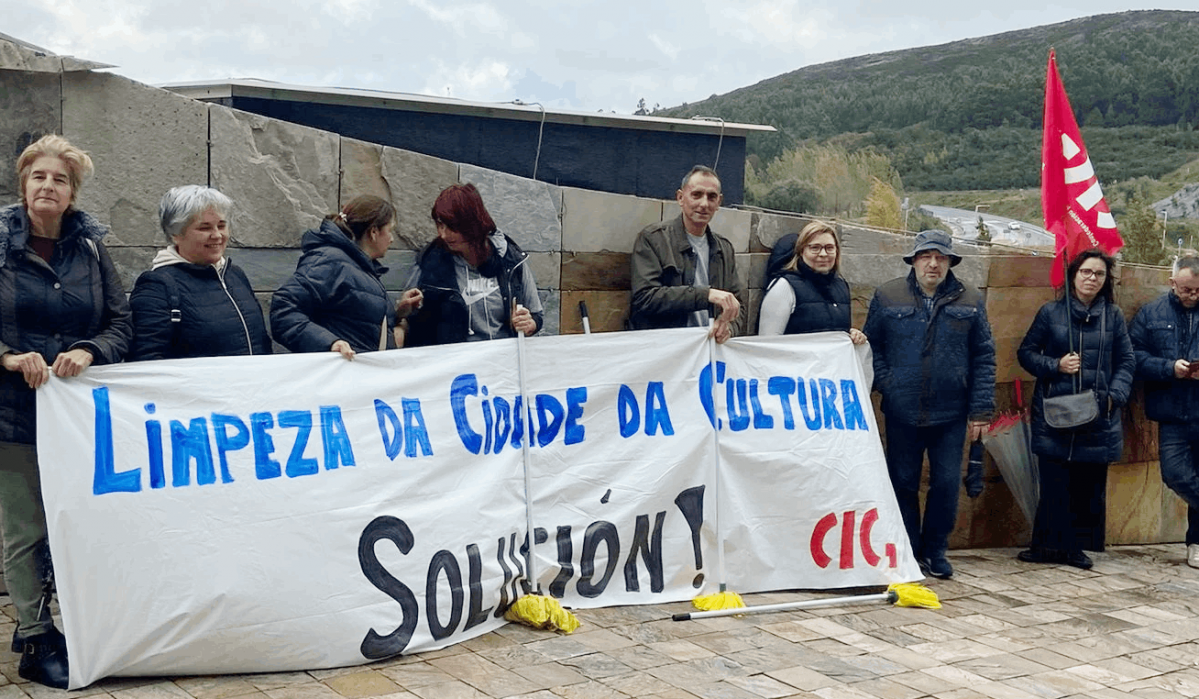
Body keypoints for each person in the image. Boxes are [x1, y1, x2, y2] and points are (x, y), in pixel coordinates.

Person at [0, 135, 132, 688]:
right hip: (11, 412)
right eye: (39, 177)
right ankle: (33, 637)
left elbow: (121, 322)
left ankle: (56, 617)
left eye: (60, 179)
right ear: (23, 184)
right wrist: (7, 356)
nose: (47, 186)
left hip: (77, 417)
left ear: (73, 192)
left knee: (72, 523)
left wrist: (89, 350)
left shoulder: (93, 250)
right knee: (26, 528)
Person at [862, 230, 995, 579]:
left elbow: (984, 355)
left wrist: (981, 409)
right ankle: (908, 547)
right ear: (914, 260)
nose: (933, 263)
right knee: (902, 481)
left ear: (950, 261)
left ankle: (936, 550)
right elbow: (871, 345)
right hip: (902, 409)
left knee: (947, 483)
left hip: (951, 412)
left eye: (941, 257)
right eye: (926, 256)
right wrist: (888, 384)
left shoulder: (970, 299)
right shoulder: (888, 295)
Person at [1017, 248, 1134, 570]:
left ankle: (1074, 548)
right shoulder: (1050, 312)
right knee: (1054, 482)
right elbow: (1026, 353)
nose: (1091, 279)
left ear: (1106, 280)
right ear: (1073, 275)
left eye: (1098, 274)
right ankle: (1046, 546)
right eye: (1086, 272)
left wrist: (1115, 395)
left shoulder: (1114, 316)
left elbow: (1127, 360)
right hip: (1056, 411)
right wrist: (1055, 365)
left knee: (1086, 483)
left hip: (1098, 414)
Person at [129, 186, 271, 360]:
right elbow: (146, 360)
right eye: (204, 228)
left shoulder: (234, 274)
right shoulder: (157, 286)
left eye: (221, 225)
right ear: (175, 234)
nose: (217, 235)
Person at [403, 183, 541, 346]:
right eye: (439, 225)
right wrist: (402, 311)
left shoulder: (511, 260)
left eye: (451, 227)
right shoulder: (430, 261)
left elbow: (537, 315)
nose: (443, 234)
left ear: (472, 224)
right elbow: (408, 321)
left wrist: (529, 324)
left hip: (503, 360)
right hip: (453, 363)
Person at [271, 195, 407, 358]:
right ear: (374, 232)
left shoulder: (358, 265)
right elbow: (283, 310)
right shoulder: (331, 261)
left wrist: (398, 314)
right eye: (390, 230)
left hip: (356, 376)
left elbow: (358, 321)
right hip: (341, 376)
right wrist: (330, 343)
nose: (392, 239)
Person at [1130, 253, 1199, 567]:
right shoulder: (1151, 312)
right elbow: (1133, 356)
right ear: (1173, 283)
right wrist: (1169, 367)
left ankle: (1195, 543)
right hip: (1171, 410)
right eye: (1186, 290)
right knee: (1175, 474)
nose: (1192, 296)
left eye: (1198, 290)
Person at [628, 165, 744, 343]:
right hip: (666, 349)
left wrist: (729, 327)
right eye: (696, 195)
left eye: (711, 197)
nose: (704, 204)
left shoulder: (724, 249)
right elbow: (645, 299)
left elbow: (738, 304)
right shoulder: (654, 239)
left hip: (708, 350)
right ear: (681, 198)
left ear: (719, 203)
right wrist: (706, 295)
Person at [758, 220, 866, 344]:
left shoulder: (841, 286)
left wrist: (851, 335)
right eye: (815, 248)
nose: (823, 254)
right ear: (802, 251)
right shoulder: (785, 286)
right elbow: (767, 343)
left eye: (829, 248)